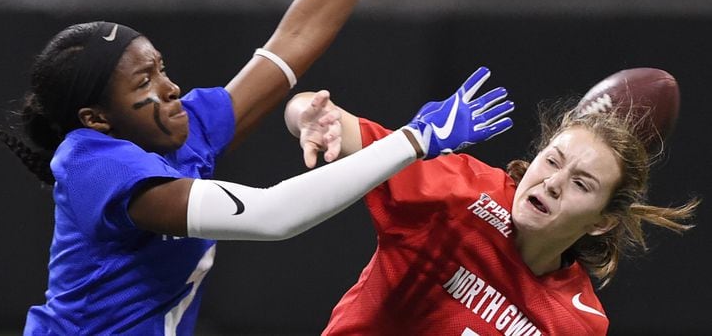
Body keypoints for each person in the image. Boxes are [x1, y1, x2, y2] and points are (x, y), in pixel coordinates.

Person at [0, 0, 471, 334]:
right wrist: (413, 141)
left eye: (162, 67)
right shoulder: (97, 163)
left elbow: (291, 43)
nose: (171, 87)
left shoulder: (178, 129)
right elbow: (275, 217)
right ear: (96, 119)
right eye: (144, 80)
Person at [285, 72, 700, 335]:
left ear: (602, 221)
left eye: (581, 184)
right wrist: (308, 116)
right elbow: (318, 114)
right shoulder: (457, 193)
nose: (553, 183)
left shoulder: (579, 323)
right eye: (552, 161)